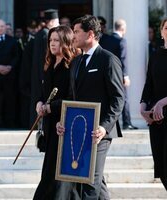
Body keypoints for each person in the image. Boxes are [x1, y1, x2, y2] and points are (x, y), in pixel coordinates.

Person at [56, 15, 124, 200]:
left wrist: (104, 126)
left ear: (91, 34)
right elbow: (71, 98)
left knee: (90, 180)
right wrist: (62, 122)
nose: (73, 36)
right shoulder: (76, 62)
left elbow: (118, 98)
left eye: (77, 32)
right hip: (78, 129)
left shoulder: (108, 60)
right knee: (94, 180)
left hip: (99, 132)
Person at [33, 25, 80, 200]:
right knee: (49, 171)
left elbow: (74, 97)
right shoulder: (49, 64)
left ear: (66, 42)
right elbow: (42, 90)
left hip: (66, 124)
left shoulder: (74, 64)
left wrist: (51, 107)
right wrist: (39, 103)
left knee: (61, 174)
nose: (52, 44)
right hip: (50, 125)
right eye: (50, 40)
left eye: (56, 40)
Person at [20, 9, 59, 127]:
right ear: (52, 22)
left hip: (38, 75)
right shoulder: (46, 35)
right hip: (43, 74)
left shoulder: (39, 34)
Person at [140, 18, 167, 191]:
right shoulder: (156, 55)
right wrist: (143, 106)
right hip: (157, 120)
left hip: (163, 111)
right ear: (162, 31)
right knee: (162, 168)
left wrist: (162, 103)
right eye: (166, 27)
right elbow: (149, 83)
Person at [101, 19, 138, 130]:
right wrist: (125, 75)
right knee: (124, 98)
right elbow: (123, 59)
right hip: (118, 75)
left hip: (105, 74)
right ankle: (127, 123)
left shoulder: (105, 39)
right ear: (123, 29)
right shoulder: (121, 41)